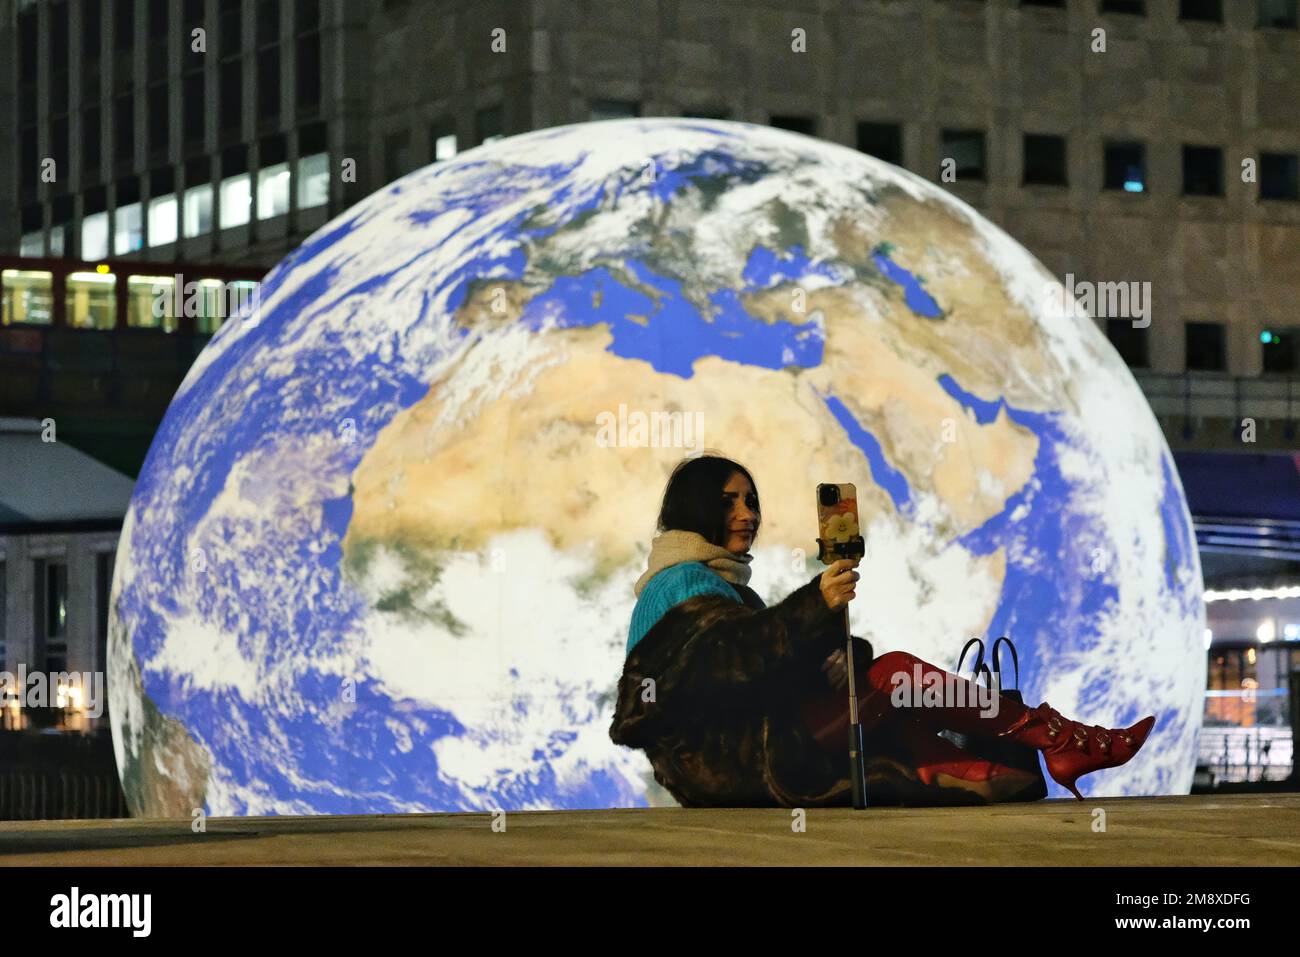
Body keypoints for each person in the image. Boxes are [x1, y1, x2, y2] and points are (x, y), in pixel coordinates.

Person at [609, 454, 1155, 807]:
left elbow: (765, 663)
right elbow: (727, 661)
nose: (748, 513)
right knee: (896, 677)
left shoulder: (721, 585)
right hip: (735, 759)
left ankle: (988, 767)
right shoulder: (680, 583)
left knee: (889, 694)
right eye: (729, 500)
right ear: (696, 507)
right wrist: (814, 604)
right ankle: (1059, 740)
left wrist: (836, 654)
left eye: (751, 500)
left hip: (753, 748)